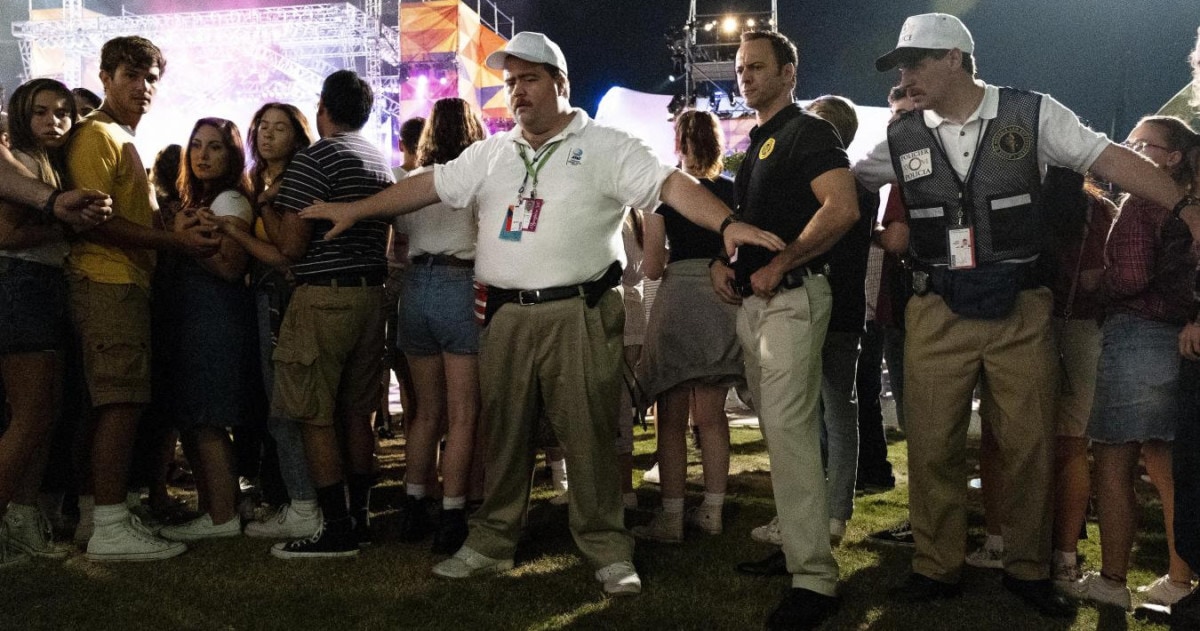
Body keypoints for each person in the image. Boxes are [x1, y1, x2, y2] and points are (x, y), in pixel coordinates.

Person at [299, 31, 783, 596]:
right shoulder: (495, 151)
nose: (518, 93)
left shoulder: (605, 145)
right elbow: (429, 186)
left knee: (590, 436)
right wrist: (356, 211)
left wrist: (727, 224)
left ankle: (606, 546)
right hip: (504, 316)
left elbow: (669, 186)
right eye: (510, 83)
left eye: (529, 79)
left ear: (560, 83)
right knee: (502, 434)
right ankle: (491, 541)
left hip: (577, 312)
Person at [856, 12, 1200, 616]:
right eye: (901, 64)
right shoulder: (901, 136)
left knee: (1030, 444)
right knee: (931, 444)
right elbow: (851, 185)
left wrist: (1184, 207)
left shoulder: (1033, 113)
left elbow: (1108, 158)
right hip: (937, 305)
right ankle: (936, 566)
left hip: (1021, 304)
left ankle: (1029, 567)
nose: (905, 72)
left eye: (916, 60)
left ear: (955, 60)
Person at [707, 30, 860, 630]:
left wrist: (783, 263)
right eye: (740, 68)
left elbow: (842, 207)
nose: (744, 76)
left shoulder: (808, 131)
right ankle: (801, 554)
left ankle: (815, 581)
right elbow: (752, 224)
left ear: (790, 72)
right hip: (762, 301)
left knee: (792, 433)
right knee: (781, 431)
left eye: (756, 67)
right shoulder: (762, 139)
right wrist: (730, 261)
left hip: (793, 297)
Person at [66, 35, 219, 562]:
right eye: (131, 75)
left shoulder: (118, 137)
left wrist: (174, 227)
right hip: (107, 281)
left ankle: (100, 513)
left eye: (151, 78)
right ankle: (109, 524)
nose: (143, 87)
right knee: (119, 402)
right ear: (105, 77)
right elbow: (97, 224)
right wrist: (173, 239)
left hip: (125, 282)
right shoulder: (98, 136)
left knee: (115, 403)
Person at [1069, 116, 1199, 610]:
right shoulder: (1194, 200)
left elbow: (1130, 275)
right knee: (1172, 469)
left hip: (1139, 335)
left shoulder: (1145, 199)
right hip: (1184, 340)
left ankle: (1111, 580)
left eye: (1141, 144)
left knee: (1115, 460)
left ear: (1171, 157)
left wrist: (1098, 284)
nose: (1129, 149)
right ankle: (1179, 580)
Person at [265, 70, 394, 559]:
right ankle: (358, 519)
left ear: (323, 107)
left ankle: (336, 530)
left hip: (324, 298)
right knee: (356, 414)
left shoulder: (314, 159)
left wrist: (269, 209)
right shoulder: (376, 158)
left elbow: (293, 246)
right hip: (369, 296)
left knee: (313, 416)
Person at [633, 110, 742, 543]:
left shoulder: (665, 194)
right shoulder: (732, 193)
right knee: (713, 416)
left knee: (671, 418)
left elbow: (655, 266)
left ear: (679, 143)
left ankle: (672, 517)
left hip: (679, 298)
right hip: (721, 300)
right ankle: (713, 510)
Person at [390, 97, 486, 554]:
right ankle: (452, 512)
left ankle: (413, 505)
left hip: (416, 285)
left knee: (425, 411)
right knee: (464, 412)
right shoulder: (475, 179)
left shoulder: (410, 180)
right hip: (458, 282)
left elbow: (399, 241)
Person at [223, 102, 321, 540]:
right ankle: (292, 496)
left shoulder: (292, 183)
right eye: (263, 126)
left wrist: (241, 229)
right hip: (266, 295)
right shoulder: (259, 181)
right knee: (276, 403)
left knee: (285, 402)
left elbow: (285, 252)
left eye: (280, 128)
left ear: (297, 137)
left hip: (283, 301)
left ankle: (303, 501)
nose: (268, 135)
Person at [156, 118, 257, 543]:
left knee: (208, 419)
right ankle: (214, 508)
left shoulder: (231, 200)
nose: (202, 155)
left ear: (232, 154)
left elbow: (231, 267)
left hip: (215, 317)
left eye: (214, 147)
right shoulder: (201, 200)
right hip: (197, 315)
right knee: (196, 417)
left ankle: (221, 515)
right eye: (196, 146)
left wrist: (184, 242)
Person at [0, 78, 79, 566]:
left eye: (64, 111)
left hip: (37, 286)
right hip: (20, 284)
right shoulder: (21, 164)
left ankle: (22, 522)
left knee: (42, 414)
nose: (55, 121)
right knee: (29, 417)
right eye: (41, 112)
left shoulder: (43, 164)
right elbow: (6, 234)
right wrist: (67, 222)